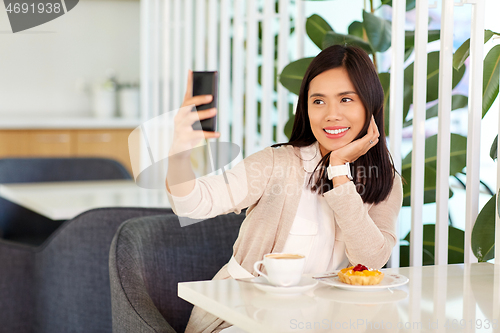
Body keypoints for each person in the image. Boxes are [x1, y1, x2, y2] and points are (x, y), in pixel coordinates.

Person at [166, 45, 403, 333]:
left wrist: (339, 170)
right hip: (244, 319)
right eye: (318, 101)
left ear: (370, 105)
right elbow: (192, 204)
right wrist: (178, 152)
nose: (331, 114)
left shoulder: (385, 182)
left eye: (346, 99)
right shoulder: (277, 163)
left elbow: (369, 262)